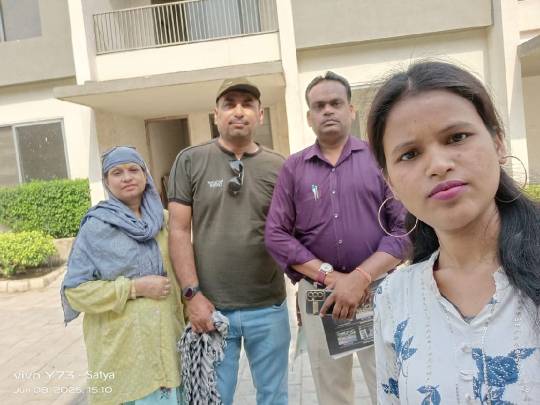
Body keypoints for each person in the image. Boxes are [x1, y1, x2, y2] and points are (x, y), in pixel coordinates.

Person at [369, 61, 540, 404]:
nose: (438, 165)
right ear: (391, 183)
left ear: (498, 142)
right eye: (410, 154)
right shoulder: (394, 297)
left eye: (457, 137)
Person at [265, 71, 409, 405]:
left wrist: (361, 277)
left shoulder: (379, 159)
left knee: (390, 382)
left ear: (351, 110)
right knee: (331, 390)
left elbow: (404, 229)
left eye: (335, 103)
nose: (328, 110)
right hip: (320, 294)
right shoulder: (294, 168)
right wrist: (332, 278)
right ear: (309, 117)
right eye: (319, 106)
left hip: (378, 290)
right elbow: (275, 234)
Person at [167, 77, 290, 405]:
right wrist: (191, 295)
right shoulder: (190, 160)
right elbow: (178, 230)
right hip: (211, 308)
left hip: (269, 306)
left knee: (274, 396)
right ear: (216, 114)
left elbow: (292, 232)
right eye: (229, 104)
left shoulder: (279, 166)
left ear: (260, 115)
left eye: (247, 104)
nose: (238, 111)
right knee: (214, 398)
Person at [61, 146, 185, 405]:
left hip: (167, 345)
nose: (127, 177)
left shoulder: (164, 221)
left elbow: (180, 275)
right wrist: (133, 288)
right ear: (106, 181)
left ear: (145, 175)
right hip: (123, 352)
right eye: (117, 172)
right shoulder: (96, 228)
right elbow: (75, 293)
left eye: (133, 170)